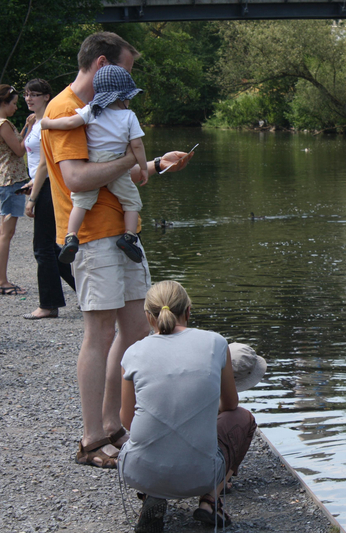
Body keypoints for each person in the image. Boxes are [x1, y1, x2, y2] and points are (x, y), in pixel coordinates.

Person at [41, 31, 193, 469]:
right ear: (104, 63)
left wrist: (156, 163)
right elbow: (77, 179)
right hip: (91, 237)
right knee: (99, 334)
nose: (129, 79)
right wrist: (131, 159)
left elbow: (118, 171)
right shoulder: (67, 109)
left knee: (134, 331)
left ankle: (112, 425)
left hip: (122, 237)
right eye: (127, 69)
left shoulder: (109, 110)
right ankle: (90, 439)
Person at [119, 280, 258, 531]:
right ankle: (210, 501)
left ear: (149, 317)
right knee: (243, 418)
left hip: (138, 471)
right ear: (189, 311)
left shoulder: (133, 353)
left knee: (152, 433)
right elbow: (230, 404)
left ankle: (153, 494)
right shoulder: (215, 343)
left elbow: (127, 420)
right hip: (200, 474)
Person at [41, 64, 148, 264]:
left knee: (80, 203)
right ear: (123, 97)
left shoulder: (90, 110)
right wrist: (143, 166)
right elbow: (137, 145)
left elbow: (70, 123)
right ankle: (129, 237)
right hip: (115, 164)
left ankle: (71, 236)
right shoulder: (129, 116)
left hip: (94, 161)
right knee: (132, 202)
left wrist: (47, 124)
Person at [21, 78, 76, 319]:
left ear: (46, 96)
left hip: (47, 187)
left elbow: (46, 162)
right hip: (41, 183)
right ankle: (86, 294)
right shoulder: (35, 121)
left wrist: (33, 198)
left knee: (43, 248)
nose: (29, 98)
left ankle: (48, 305)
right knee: (53, 248)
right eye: (26, 94)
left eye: (34, 94)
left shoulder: (47, 122)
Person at [0, 84, 33, 295]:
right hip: (10, 181)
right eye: (13, 103)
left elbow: (16, 143)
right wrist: (31, 128)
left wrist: (24, 127)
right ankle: (1, 281)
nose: (16, 107)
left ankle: (1, 279)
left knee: (4, 232)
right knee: (6, 233)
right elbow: (19, 149)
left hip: (6, 179)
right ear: (4, 103)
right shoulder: (3, 123)